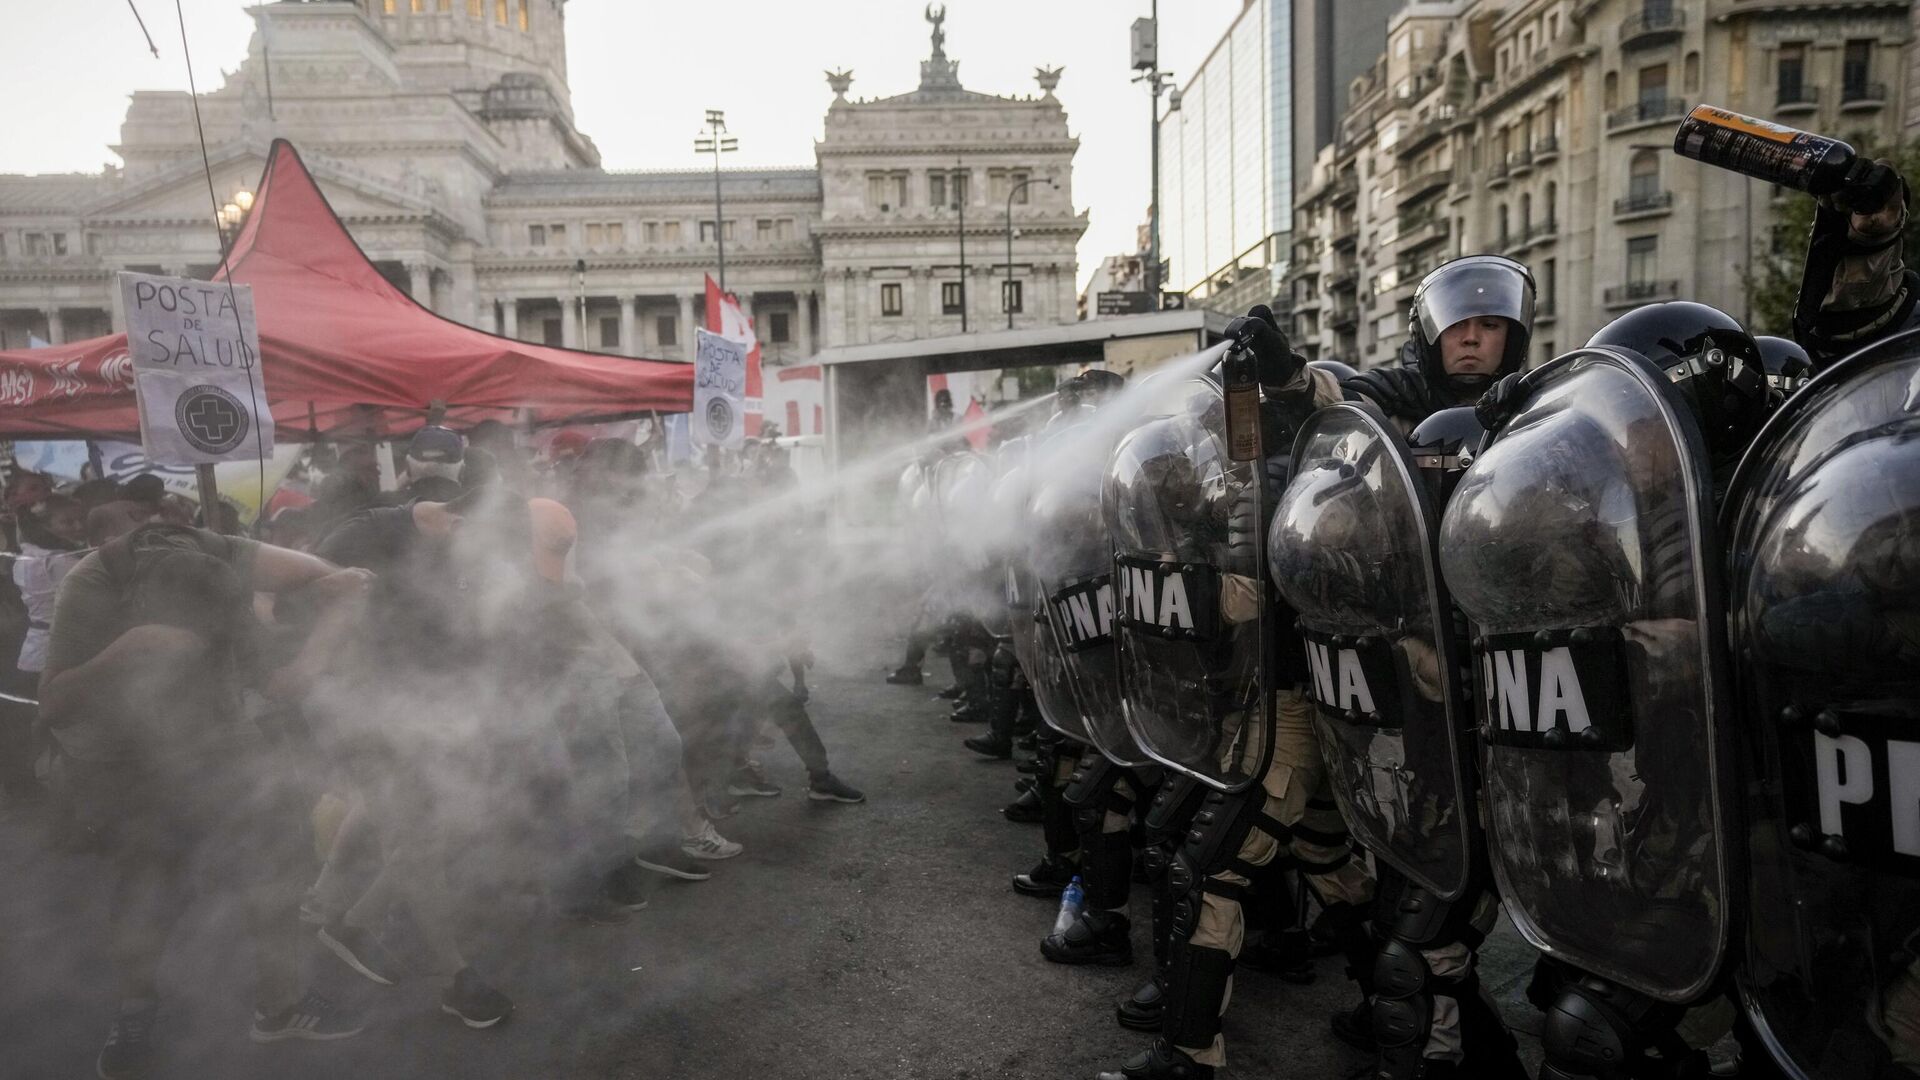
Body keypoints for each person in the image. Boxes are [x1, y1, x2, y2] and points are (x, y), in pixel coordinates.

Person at [37, 523, 372, 1078]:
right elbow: (51, 705)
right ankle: (135, 1009)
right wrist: (127, 652)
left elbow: (281, 683)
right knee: (148, 885)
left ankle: (280, 1006)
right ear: (145, 609)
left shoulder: (221, 571)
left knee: (275, 866)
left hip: (219, 738)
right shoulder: (90, 591)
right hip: (122, 755)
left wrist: (335, 613)